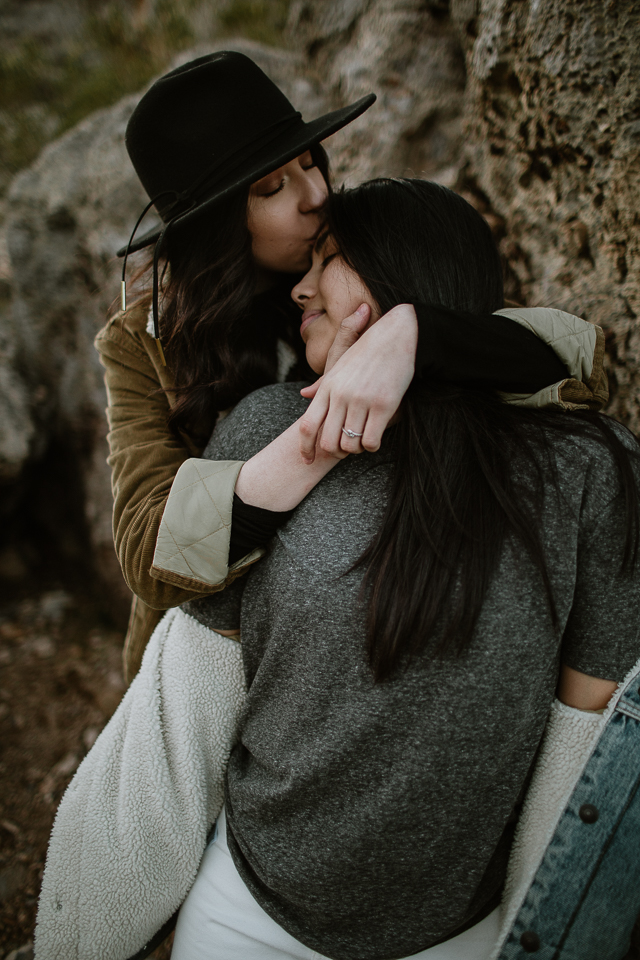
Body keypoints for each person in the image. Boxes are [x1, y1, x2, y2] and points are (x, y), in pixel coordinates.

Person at [162, 177, 640, 960]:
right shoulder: (270, 423)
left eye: (331, 259)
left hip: (460, 936)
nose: (301, 287)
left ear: (408, 273)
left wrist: (540, 928)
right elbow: (191, 631)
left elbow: (589, 736)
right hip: (246, 911)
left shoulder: (584, 469)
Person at [94, 51, 576, 683]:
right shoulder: (142, 341)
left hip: (363, 643)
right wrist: (321, 432)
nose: (317, 195)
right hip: (207, 662)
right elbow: (146, 550)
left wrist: (416, 332)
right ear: (214, 225)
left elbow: (573, 353)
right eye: (273, 188)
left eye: (310, 161)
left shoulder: (354, 257)